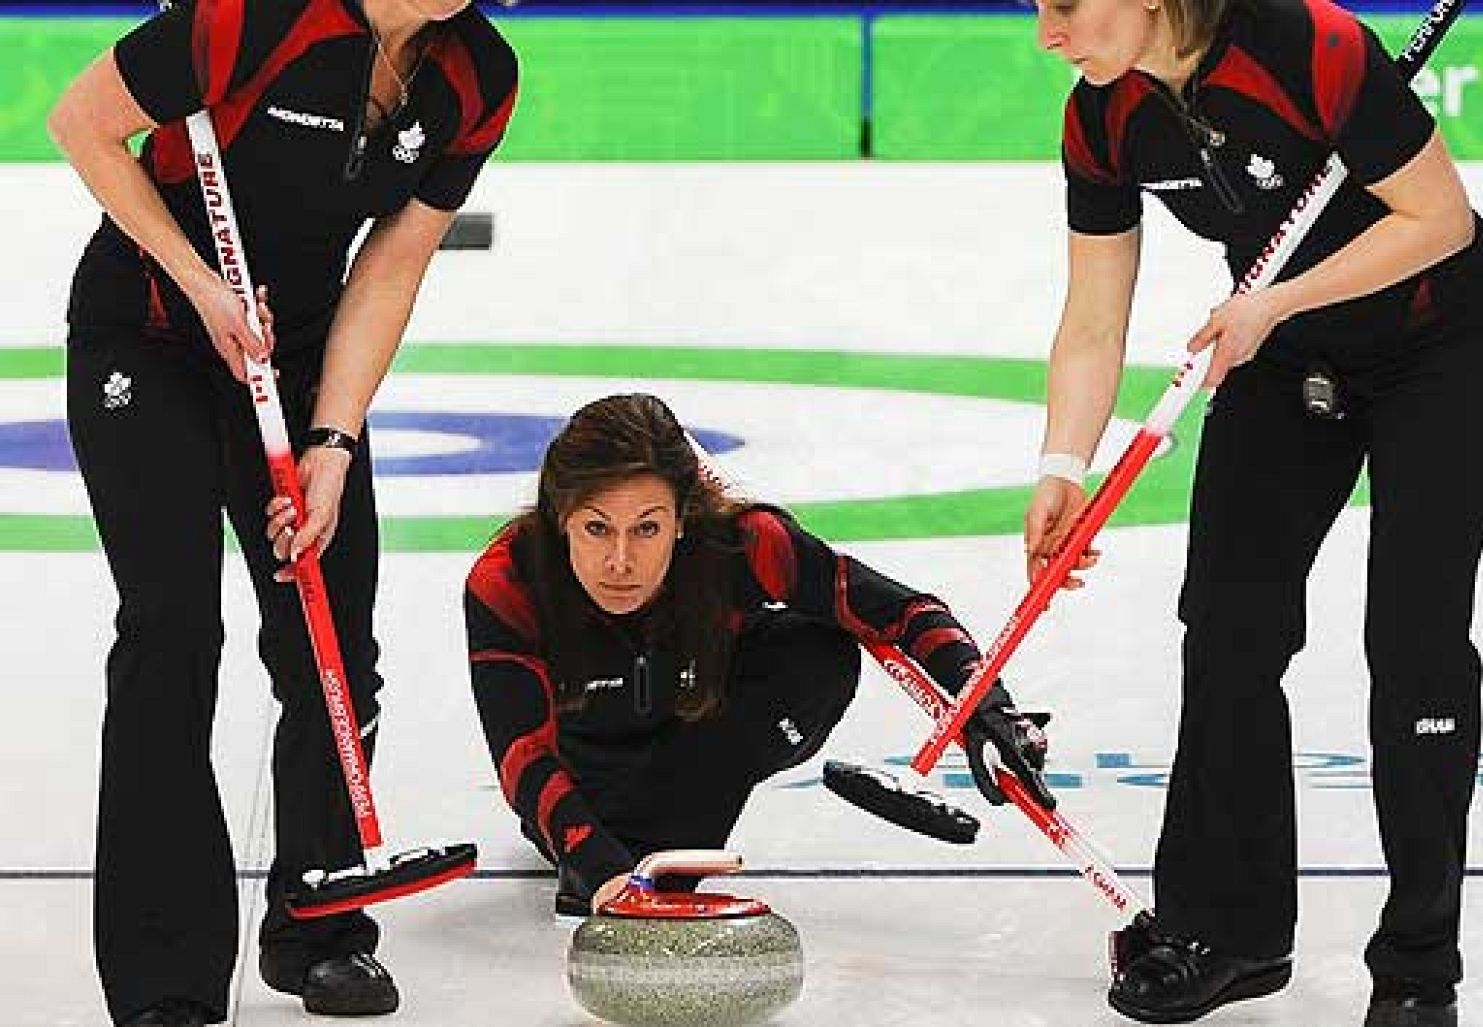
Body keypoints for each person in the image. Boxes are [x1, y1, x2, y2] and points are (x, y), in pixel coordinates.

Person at [1021, 0, 1483, 1024]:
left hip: (1440, 342)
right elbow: (1091, 314)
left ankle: (1419, 965)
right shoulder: (1102, 119)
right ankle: (1230, 932)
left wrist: (1274, 301)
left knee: (1414, 639)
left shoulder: (1311, 48)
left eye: (1066, 5)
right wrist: (1061, 464)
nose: (1048, 32)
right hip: (1287, 358)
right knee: (1227, 624)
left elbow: (1439, 221)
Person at [47, 0, 516, 1021]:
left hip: (296, 352)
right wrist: (200, 284)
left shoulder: (475, 77)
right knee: (173, 627)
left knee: (330, 637)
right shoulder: (253, 17)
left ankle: (320, 925)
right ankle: (165, 970)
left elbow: (392, 259)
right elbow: (82, 123)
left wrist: (333, 441)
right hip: (155, 328)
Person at [465, 393, 1057, 915]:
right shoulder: (508, 580)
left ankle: (670, 847)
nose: (620, 561)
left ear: (681, 519)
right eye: (596, 529)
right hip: (586, 785)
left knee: (818, 650)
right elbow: (521, 757)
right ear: (560, 517)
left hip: (699, 741)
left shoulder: (741, 543)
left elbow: (901, 612)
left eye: (646, 529)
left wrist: (985, 707)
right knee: (594, 830)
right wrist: (595, 862)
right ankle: (630, 849)